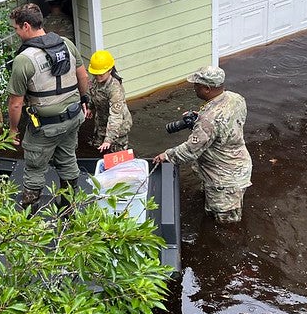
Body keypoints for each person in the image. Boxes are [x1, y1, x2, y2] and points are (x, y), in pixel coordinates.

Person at [7, 3, 89, 210]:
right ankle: (68, 209)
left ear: (26, 26)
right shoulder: (67, 44)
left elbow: (16, 104)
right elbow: (83, 75)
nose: (16, 33)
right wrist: (85, 100)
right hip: (73, 117)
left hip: (45, 126)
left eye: (16, 28)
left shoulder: (24, 60)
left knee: (34, 168)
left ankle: (29, 215)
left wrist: (13, 129)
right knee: (68, 159)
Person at [153, 66, 252, 223]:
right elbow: (227, 124)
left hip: (224, 179)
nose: (194, 88)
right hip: (237, 164)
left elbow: (190, 151)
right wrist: (200, 119)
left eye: (196, 85)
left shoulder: (209, 120)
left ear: (207, 88)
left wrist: (166, 155)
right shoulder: (236, 98)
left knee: (225, 223)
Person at [85, 50, 132, 153]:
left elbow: (116, 116)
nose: (97, 77)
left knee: (117, 154)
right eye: (95, 74)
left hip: (118, 126)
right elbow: (94, 94)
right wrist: (90, 107)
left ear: (110, 70)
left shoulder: (115, 89)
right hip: (101, 121)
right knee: (99, 149)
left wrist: (108, 140)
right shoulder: (95, 81)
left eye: (100, 74)